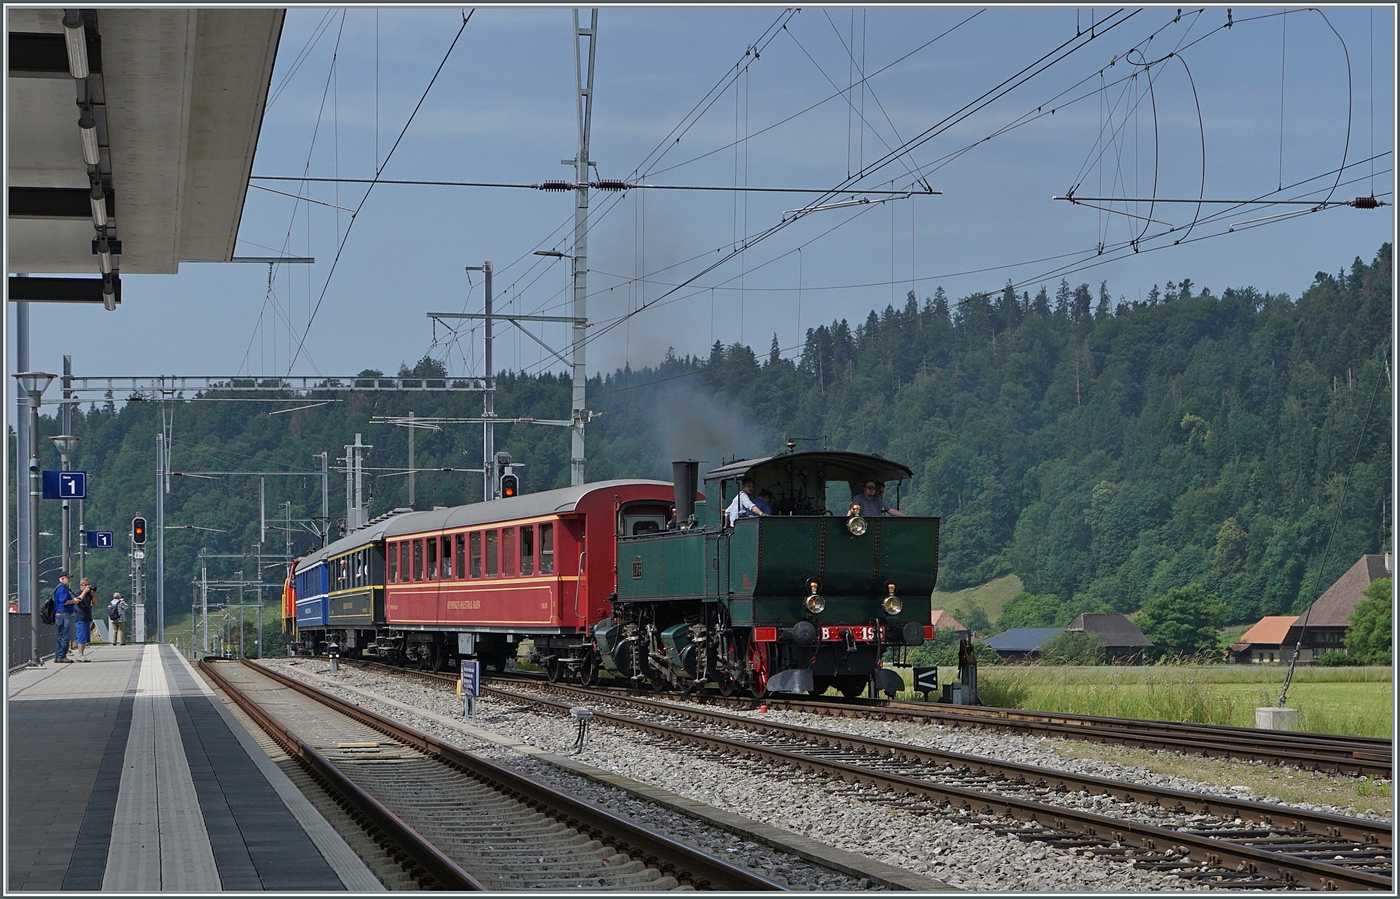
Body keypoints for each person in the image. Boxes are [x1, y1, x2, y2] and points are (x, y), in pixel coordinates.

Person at [52, 572, 79, 663]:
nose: (69, 580)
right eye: (67, 578)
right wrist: (74, 601)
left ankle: (58, 655)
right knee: (65, 636)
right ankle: (61, 656)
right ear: (61, 579)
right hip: (64, 614)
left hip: (60, 614)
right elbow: (63, 601)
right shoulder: (62, 588)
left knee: (61, 636)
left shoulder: (59, 588)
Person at [72, 577, 96, 661]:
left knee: (85, 637)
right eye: (86, 585)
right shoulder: (78, 592)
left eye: (89, 585)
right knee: (81, 637)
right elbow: (78, 600)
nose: (88, 587)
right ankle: (80, 655)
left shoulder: (89, 594)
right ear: (82, 585)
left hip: (87, 617)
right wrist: (84, 592)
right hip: (80, 617)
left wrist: (93, 595)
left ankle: (82, 654)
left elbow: (96, 603)